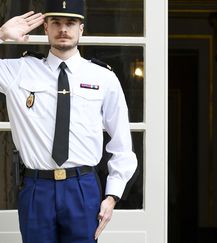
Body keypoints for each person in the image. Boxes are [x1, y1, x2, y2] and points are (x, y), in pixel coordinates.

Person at [0, 0, 137, 242]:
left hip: (82, 188)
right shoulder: (19, 71)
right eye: (56, 22)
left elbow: (122, 143)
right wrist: (0, 34)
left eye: (71, 23)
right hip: (36, 187)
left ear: (81, 29)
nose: (63, 29)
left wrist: (112, 196)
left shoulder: (103, 77)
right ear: (46, 28)